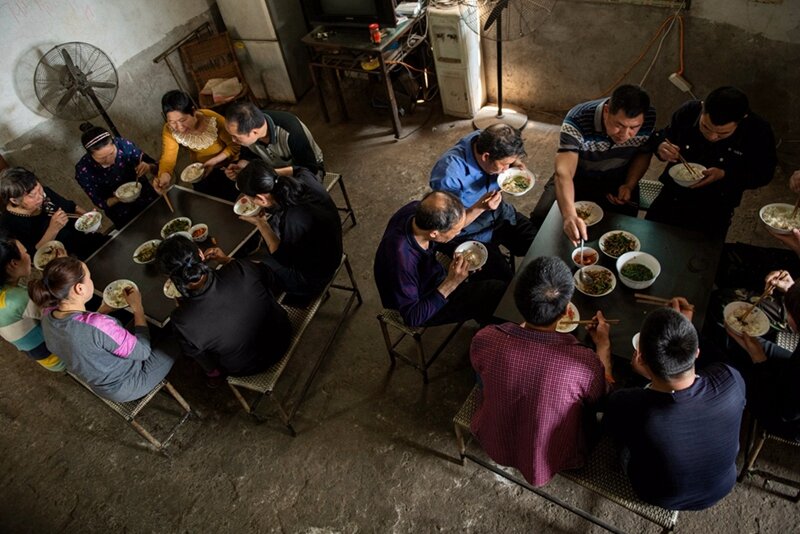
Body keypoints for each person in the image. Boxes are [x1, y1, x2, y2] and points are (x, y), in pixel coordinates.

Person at [470, 256, 612, 486]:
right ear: (566, 311)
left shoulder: (486, 338)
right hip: (545, 458)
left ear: (517, 300)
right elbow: (601, 399)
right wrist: (603, 346)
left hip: (494, 439)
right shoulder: (584, 363)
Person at [604, 302, 745, 510]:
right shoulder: (731, 378)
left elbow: (609, 423)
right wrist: (687, 328)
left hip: (661, 496)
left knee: (621, 439)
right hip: (721, 487)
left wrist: (606, 352)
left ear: (640, 358)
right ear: (697, 352)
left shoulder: (635, 407)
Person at [29, 257, 174, 402]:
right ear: (79, 289)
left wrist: (102, 310)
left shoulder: (48, 316)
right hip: (128, 383)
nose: (91, 281)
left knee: (140, 327)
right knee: (176, 334)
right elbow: (143, 352)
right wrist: (137, 308)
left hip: (101, 385)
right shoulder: (99, 325)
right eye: (89, 278)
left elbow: (83, 334)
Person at [531, 85, 656, 243]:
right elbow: (564, 173)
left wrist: (629, 185)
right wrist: (569, 215)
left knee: (622, 229)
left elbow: (644, 153)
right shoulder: (578, 118)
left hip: (618, 177)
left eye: (634, 127)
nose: (625, 135)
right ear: (606, 111)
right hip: (578, 176)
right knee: (541, 218)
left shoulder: (649, 116)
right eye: (619, 125)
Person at [646, 86, 777, 237]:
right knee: (651, 238)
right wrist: (661, 147)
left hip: (717, 203)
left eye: (723, 133)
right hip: (672, 194)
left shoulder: (758, 130)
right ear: (702, 107)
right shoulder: (689, 111)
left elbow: (764, 174)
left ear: (743, 118)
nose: (712, 136)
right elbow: (664, 136)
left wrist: (725, 174)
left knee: (702, 249)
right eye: (705, 127)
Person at [155, 235, 291, 378]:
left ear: (169, 277)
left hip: (248, 368)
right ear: (201, 254)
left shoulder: (181, 320)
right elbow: (271, 279)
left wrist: (185, 309)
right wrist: (227, 260)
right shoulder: (240, 268)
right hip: (284, 334)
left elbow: (202, 358)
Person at [373, 191, 507, 328]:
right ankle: (495, 328)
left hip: (431, 273)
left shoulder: (419, 211)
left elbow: (455, 225)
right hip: (424, 303)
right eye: (455, 231)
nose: (459, 232)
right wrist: (452, 282)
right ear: (434, 233)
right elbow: (413, 317)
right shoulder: (402, 261)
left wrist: (481, 207)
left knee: (491, 255)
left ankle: (500, 300)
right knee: (494, 292)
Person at [235, 160, 342, 303]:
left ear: (261, 199)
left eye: (251, 199)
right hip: (333, 250)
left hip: (316, 275)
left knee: (254, 267)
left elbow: (283, 257)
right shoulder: (306, 180)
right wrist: (268, 178)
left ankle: (296, 300)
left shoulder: (292, 221)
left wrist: (261, 224)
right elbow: (299, 168)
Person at [429, 123, 537, 258]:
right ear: (486, 157)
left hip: (500, 214)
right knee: (500, 271)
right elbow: (448, 228)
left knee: (538, 245)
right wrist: (480, 207)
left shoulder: (486, 138)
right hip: (470, 233)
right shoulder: (448, 175)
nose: (506, 170)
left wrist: (515, 162)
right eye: (504, 164)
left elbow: (508, 153)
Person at [726, 282, 800, 441]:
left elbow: (786, 411)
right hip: (791, 374)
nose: (787, 315)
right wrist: (794, 293)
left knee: (732, 372)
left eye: (790, 313)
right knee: (744, 341)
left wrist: (759, 359)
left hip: (786, 417)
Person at [0, 167, 107, 259]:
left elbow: (71, 207)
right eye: (32, 195)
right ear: (14, 200)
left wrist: (90, 218)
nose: (40, 197)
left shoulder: (44, 193)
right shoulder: (8, 224)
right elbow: (33, 256)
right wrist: (53, 229)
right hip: (66, 258)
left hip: (86, 239)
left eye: (39, 189)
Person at [152, 90, 240, 201]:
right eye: (172, 122)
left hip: (229, 165)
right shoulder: (169, 130)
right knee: (206, 200)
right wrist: (164, 176)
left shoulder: (213, 120)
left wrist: (213, 162)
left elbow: (234, 146)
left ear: (193, 111)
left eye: (183, 120)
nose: (179, 127)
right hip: (202, 170)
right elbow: (168, 158)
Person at [74, 123, 159, 228]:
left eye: (112, 153)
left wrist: (149, 167)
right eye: (102, 158)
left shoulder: (123, 145)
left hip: (149, 198)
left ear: (114, 143)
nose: (110, 160)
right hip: (123, 215)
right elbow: (100, 203)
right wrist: (118, 198)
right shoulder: (84, 170)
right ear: (90, 155)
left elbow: (157, 167)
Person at [0, 233, 64, 372]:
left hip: (39, 355)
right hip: (58, 356)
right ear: (14, 263)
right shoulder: (19, 299)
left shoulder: (6, 293)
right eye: (26, 252)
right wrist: (62, 266)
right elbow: (63, 314)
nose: (29, 256)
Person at [223, 101, 324, 179]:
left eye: (235, 136)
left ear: (254, 132)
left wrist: (269, 173)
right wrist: (241, 167)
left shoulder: (290, 131)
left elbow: (309, 169)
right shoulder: (249, 126)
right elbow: (248, 155)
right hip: (274, 172)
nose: (233, 140)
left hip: (308, 172)